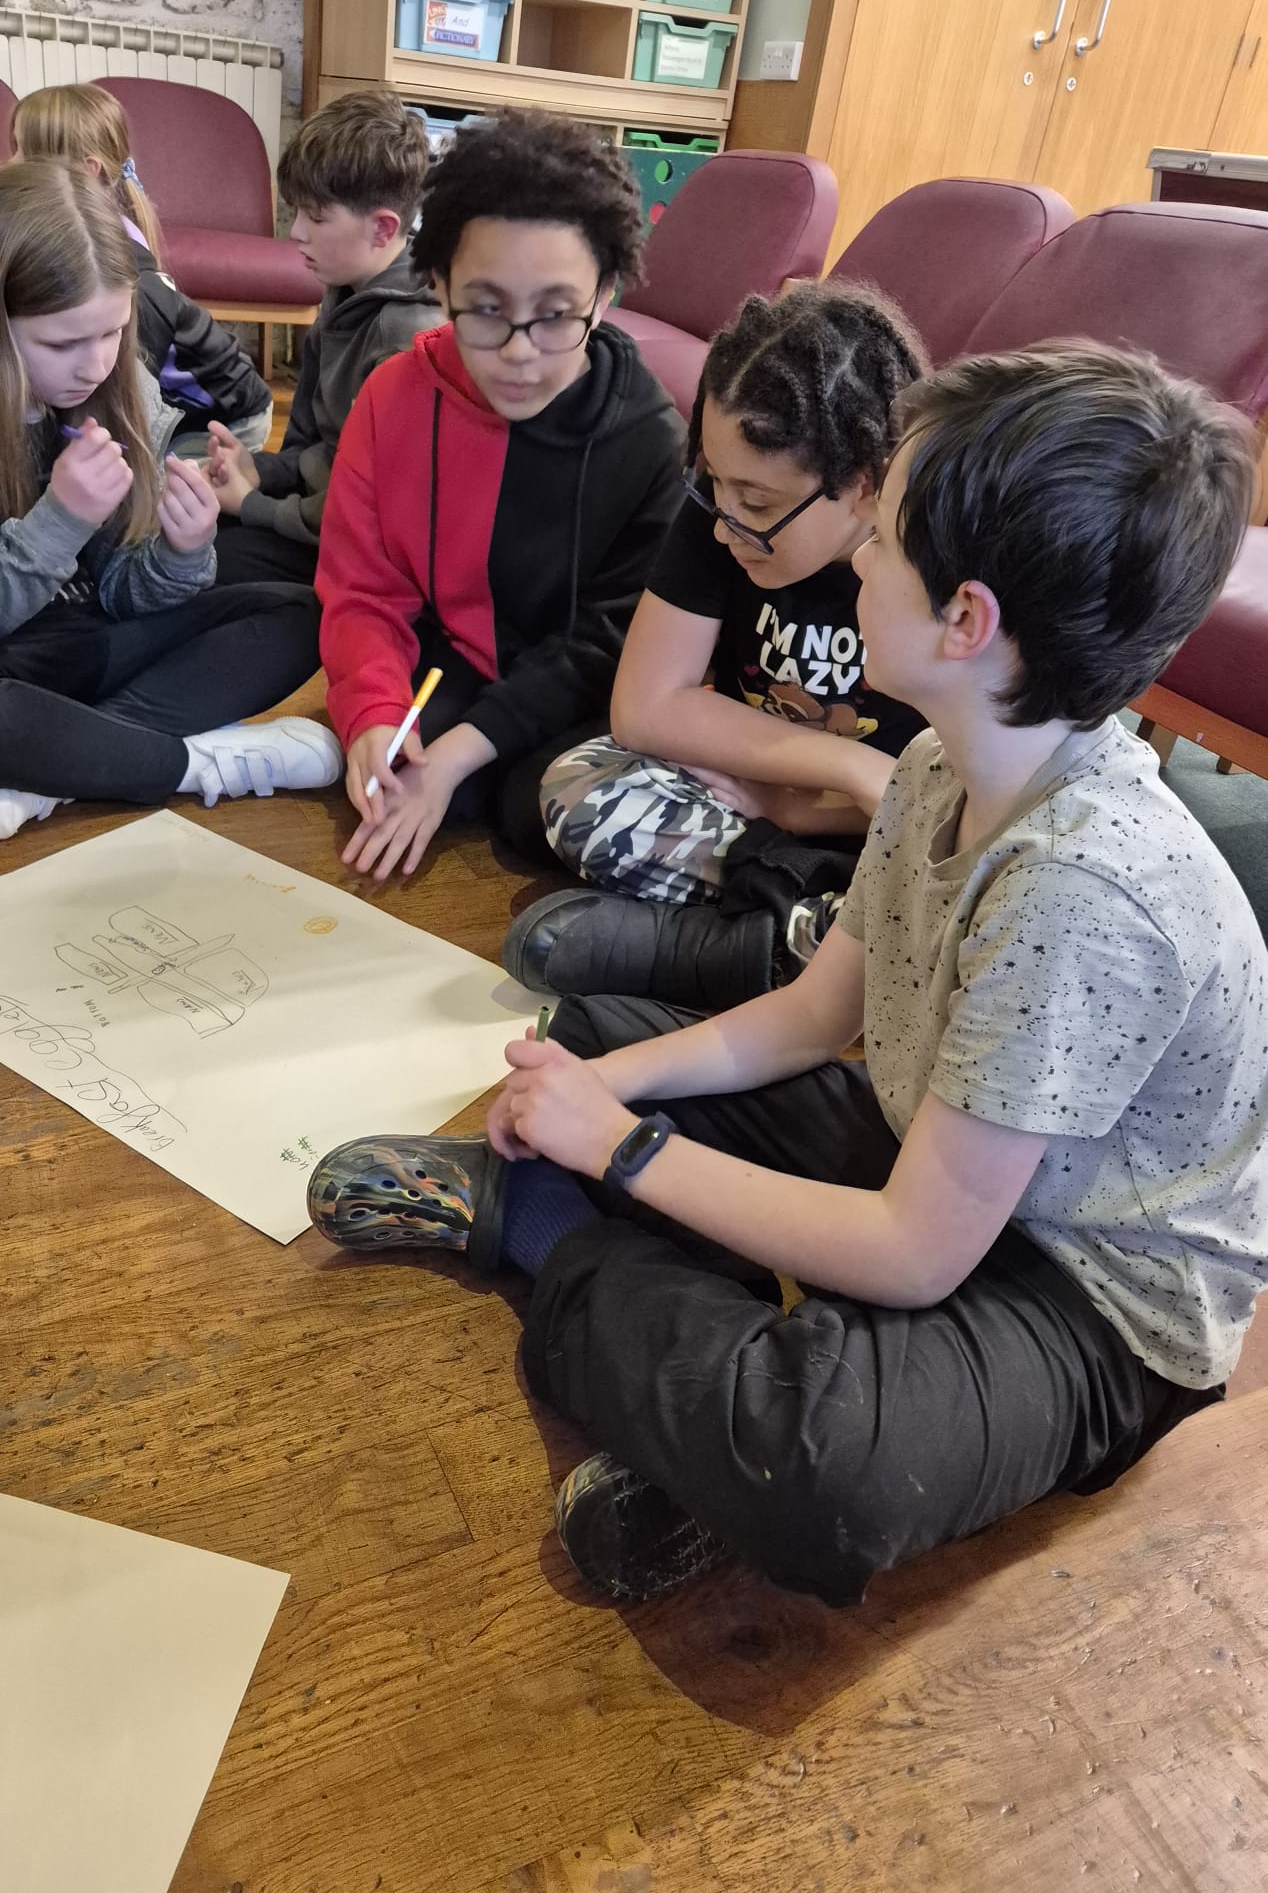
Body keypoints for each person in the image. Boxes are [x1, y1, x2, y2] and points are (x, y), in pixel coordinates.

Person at [307, 343, 1268, 1608]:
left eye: (887, 536)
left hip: (1084, 1291)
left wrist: (614, 1148)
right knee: (597, 1032)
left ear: (966, 621)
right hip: (939, 1156)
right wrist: (610, 1082)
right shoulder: (940, 763)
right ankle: (695, 1383)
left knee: (821, 1468)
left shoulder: (1085, 891)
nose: (859, 554)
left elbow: (917, 1253)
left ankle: (548, 1237)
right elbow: (818, 1015)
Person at [0, 161, 337, 845]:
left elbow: (122, 590)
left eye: (113, 331)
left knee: (304, 610)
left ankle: (49, 766)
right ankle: (193, 764)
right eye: (62, 342)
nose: (95, 365)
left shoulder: (119, 378)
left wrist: (181, 551)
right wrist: (61, 518)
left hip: (73, 643)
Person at [506, 283, 927, 1013]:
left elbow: (952, 803)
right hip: (771, 794)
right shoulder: (722, 513)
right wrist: (849, 768)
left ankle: (772, 938)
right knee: (557, 789)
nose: (726, 523)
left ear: (866, 485)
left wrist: (814, 811)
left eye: (757, 504)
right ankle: (805, 936)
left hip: (881, 829)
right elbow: (647, 706)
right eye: (713, 483)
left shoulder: (928, 566)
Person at [316, 108, 685, 881]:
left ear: (604, 294)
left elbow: (606, 643)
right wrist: (374, 716)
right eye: (486, 310)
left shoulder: (650, 438)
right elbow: (362, 590)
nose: (519, 354)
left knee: (527, 805)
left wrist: (455, 756)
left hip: (579, 689)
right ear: (438, 284)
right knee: (391, 756)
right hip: (458, 662)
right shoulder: (394, 398)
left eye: (554, 316)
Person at [206, 88, 443, 589]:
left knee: (206, 566)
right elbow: (314, 444)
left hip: (361, 552)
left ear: (383, 229)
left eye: (315, 217)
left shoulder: (407, 341)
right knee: (185, 533)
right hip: (316, 517)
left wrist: (253, 506)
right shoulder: (344, 288)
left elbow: (374, 513)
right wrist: (259, 470)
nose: (295, 232)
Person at [11, 84, 273, 459]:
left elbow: (125, 400)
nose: (10, 164)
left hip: (223, 421)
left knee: (162, 484)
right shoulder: (98, 235)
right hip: (178, 406)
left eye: (23, 152)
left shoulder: (126, 279)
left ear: (87, 172)